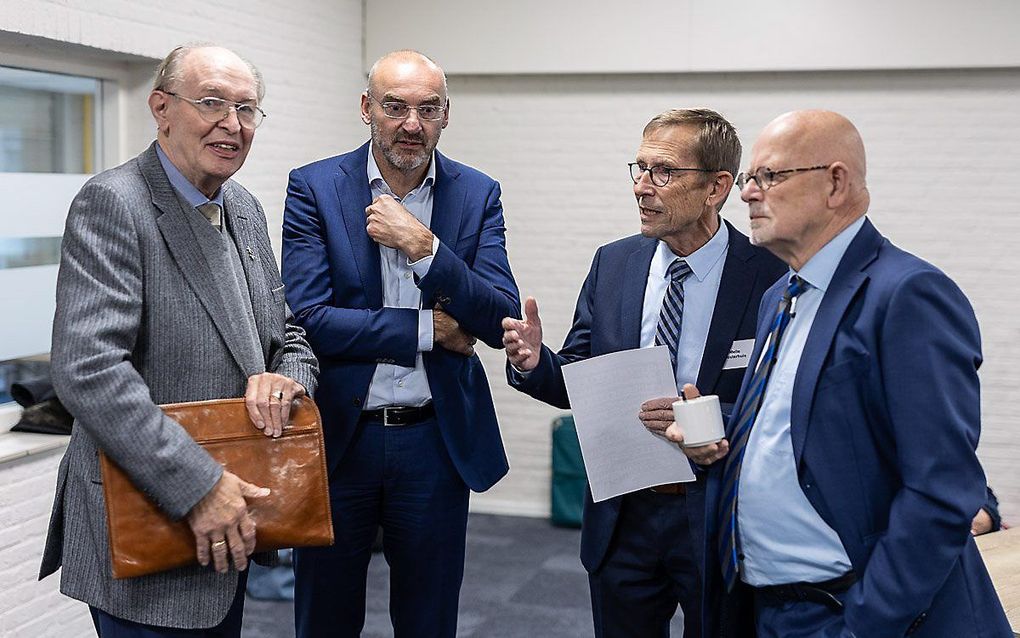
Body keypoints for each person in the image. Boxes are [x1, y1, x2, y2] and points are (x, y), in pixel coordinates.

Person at [653, 109, 1010, 637]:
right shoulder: (783, 294)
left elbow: (942, 490)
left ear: (835, 183)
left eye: (768, 177)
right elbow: (802, 422)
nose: (748, 194)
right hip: (768, 606)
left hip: (853, 612)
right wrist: (718, 428)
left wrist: (865, 625)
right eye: (750, 179)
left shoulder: (907, 294)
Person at [38, 44, 318, 637]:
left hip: (230, 525)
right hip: (151, 517)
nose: (232, 124)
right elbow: (90, 371)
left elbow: (288, 333)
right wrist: (201, 486)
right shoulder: (114, 203)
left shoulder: (240, 206)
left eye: (247, 109)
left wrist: (287, 376)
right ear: (161, 108)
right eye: (212, 102)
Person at [502, 108, 785, 638]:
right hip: (623, 515)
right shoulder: (615, 263)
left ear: (716, 187)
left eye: (664, 172)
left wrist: (703, 418)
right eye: (639, 168)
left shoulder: (768, 275)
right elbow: (584, 379)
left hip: (716, 513)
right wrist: (537, 362)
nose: (642, 187)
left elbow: (783, 400)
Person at [281, 50, 520, 638]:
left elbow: (498, 316)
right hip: (342, 435)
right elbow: (312, 317)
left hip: (434, 441)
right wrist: (428, 329)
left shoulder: (477, 193)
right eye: (395, 107)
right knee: (325, 615)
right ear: (368, 109)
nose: (411, 124)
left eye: (427, 109)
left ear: (445, 116)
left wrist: (426, 249)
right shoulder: (314, 187)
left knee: (429, 617)